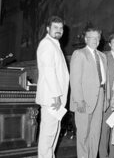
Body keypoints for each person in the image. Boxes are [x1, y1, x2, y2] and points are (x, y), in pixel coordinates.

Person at [70, 28, 108, 158]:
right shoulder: (79, 54)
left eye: (98, 38)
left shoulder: (103, 56)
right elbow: (75, 80)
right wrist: (79, 100)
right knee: (83, 134)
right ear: (86, 39)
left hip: (100, 97)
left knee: (95, 134)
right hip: (84, 100)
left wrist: (106, 98)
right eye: (92, 37)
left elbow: (104, 80)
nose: (96, 40)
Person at [36, 16, 69, 158]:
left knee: (53, 134)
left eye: (61, 28)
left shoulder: (54, 44)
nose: (59, 30)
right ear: (48, 28)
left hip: (56, 98)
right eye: (55, 27)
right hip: (52, 98)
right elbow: (49, 72)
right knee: (48, 136)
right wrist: (56, 96)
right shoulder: (47, 44)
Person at [99, 33, 114, 158]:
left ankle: (113, 156)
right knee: (104, 131)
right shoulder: (104, 57)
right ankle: (103, 155)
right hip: (108, 100)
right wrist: (104, 98)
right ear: (109, 44)